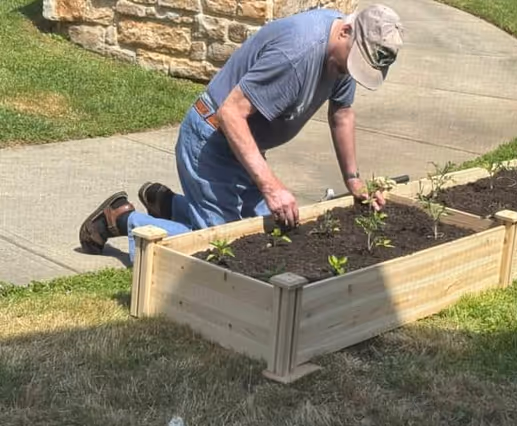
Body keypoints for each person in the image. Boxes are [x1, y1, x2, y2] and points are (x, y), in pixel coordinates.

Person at [79, 3, 404, 262]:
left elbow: (342, 112)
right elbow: (230, 113)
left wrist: (354, 180)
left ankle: (169, 206)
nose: (351, 71)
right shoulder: (297, 53)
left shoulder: (341, 54)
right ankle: (120, 219)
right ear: (347, 30)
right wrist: (272, 187)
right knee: (221, 248)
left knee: (273, 232)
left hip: (244, 147)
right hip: (212, 140)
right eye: (354, 61)